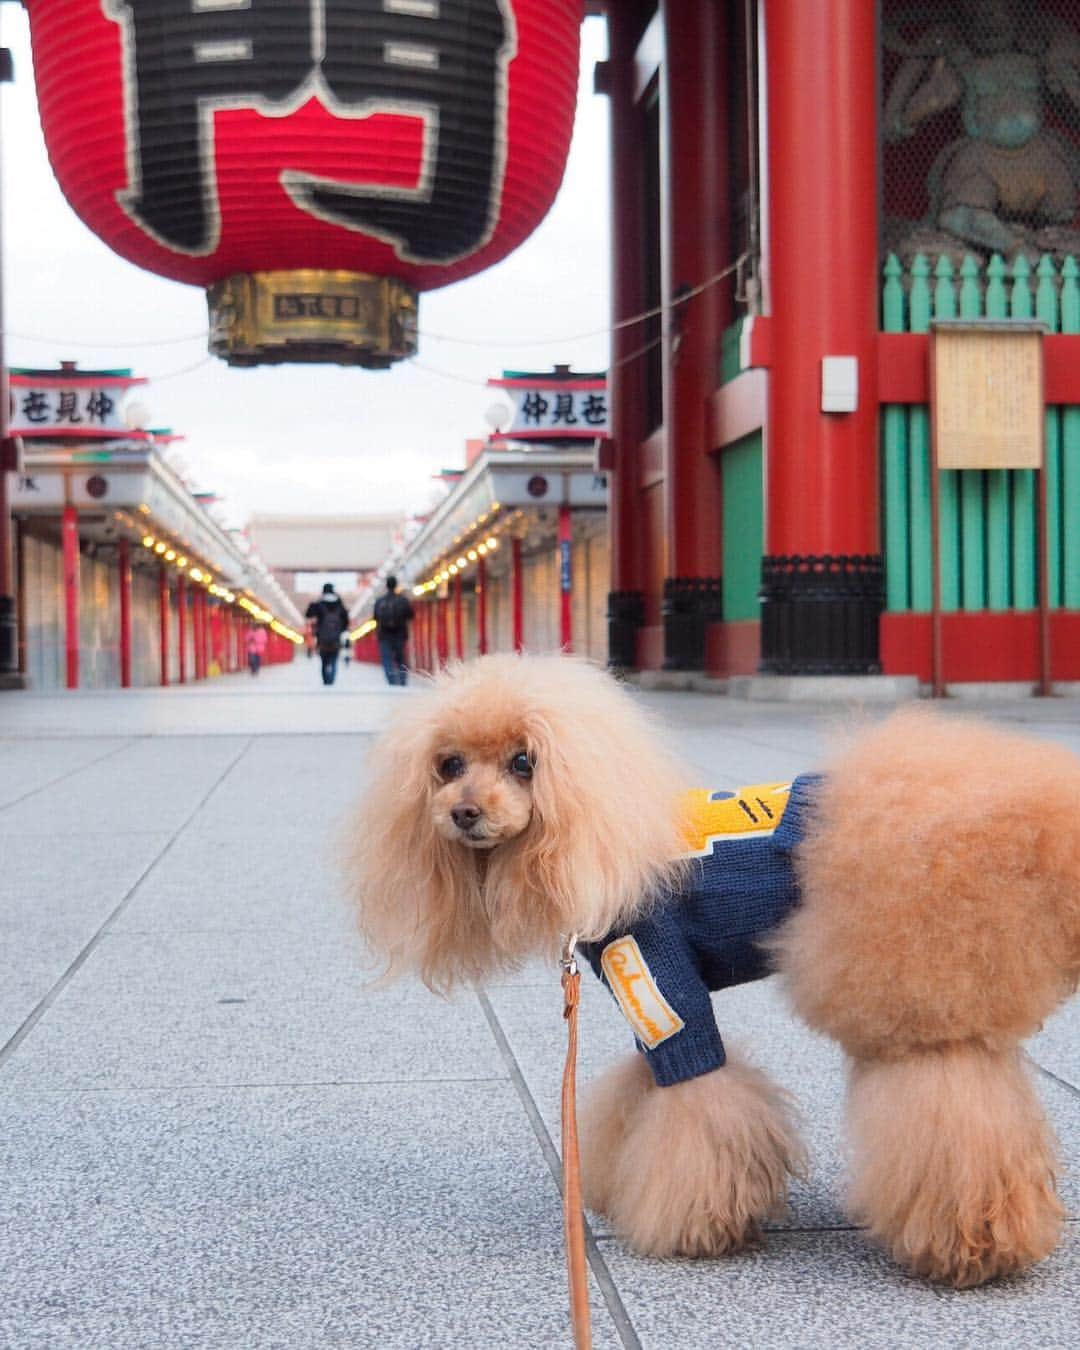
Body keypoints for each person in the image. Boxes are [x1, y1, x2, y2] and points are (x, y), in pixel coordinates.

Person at [305, 582, 351, 686]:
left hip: (322, 637)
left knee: (324, 660)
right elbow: (346, 621)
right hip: (336, 637)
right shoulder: (339, 604)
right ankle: (332, 680)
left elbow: (308, 614)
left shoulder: (319, 604)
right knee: (334, 658)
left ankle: (326, 680)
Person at [373, 575, 414, 686]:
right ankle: (402, 679)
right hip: (400, 634)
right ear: (396, 585)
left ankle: (392, 680)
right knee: (400, 657)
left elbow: (375, 617)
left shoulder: (379, 601)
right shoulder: (403, 600)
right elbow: (410, 615)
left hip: (384, 635)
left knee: (387, 658)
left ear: (386, 586)